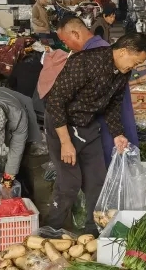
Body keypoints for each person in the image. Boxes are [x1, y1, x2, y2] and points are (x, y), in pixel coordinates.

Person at [44, 32, 146, 232]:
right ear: (123, 52)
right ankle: (50, 231)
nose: (136, 67)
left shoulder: (122, 71)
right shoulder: (86, 63)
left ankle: (93, 233)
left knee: (97, 181)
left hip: (88, 126)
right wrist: (65, 142)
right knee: (69, 183)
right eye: (136, 61)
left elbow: (113, 105)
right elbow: (55, 102)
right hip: (63, 125)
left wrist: (117, 133)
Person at [39, 14, 139, 162]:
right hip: (115, 123)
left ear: (75, 34)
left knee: (108, 165)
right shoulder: (103, 49)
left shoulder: (94, 56)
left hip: (108, 125)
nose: (67, 46)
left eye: (65, 41)